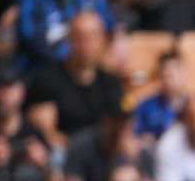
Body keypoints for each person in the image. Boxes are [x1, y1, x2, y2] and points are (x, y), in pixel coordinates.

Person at [25, 9, 124, 151]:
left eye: (93, 36)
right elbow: (45, 133)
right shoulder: (47, 80)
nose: (86, 44)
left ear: (103, 40)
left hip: (103, 156)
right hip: (63, 156)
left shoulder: (111, 82)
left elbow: (120, 128)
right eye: (80, 37)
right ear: (69, 39)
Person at [133, 50, 190, 142]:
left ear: (185, 73)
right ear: (160, 75)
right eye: (166, 72)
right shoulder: (146, 106)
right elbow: (136, 134)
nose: (170, 76)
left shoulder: (193, 106)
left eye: (174, 73)